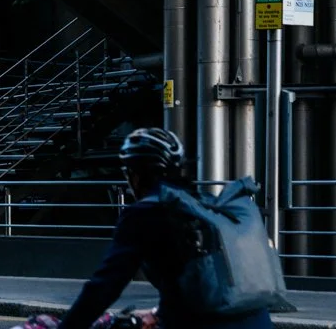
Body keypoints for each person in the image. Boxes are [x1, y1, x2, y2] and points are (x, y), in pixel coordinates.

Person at [57, 129, 275, 329]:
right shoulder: (203, 203)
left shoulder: (145, 212)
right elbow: (207, 284)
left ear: (135, 175)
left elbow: (105, 286)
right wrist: (159, 312)